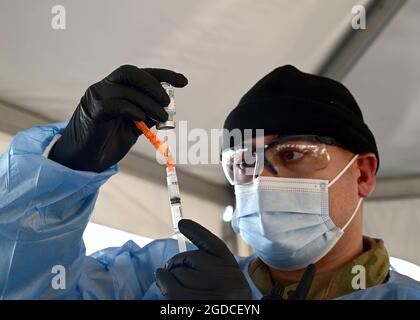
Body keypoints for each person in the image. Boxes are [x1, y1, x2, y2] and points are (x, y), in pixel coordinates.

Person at [0, 65, 418, 299]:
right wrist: (63, 170)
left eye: (291, 155)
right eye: (242, 163)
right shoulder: (164, 278)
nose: (261, 179)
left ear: (362, 174)